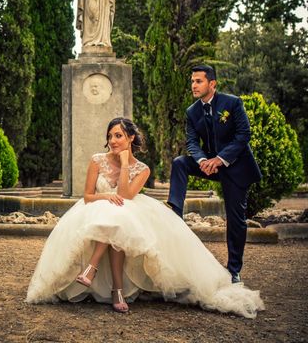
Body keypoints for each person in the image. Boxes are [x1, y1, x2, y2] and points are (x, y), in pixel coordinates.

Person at [26, 117, 264, 318]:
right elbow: (88, 196)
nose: (113, 141)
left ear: (130, 138)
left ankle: (93, 268)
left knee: (118, 219)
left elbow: (126, 195)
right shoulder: (97, 160)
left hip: (126, 209)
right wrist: (106, 198)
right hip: (96, 208)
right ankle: (115, 289)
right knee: (114, 215)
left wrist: (123, 163)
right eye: (110, 136)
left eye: (118, 136)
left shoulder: (143, 168)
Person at [168, 64, 262, 284]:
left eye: (198, 81)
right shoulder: (192, 111)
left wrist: (220, 159)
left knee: (236, 220)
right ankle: (175, 212)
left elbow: (243, 135)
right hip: (208, 165)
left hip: (235, 168)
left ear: (212, 84)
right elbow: (191, 140)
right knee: (180, 162)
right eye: (192, 81)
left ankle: (234, 270)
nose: (193, 85)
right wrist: (202, 160)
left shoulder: (232, 103)